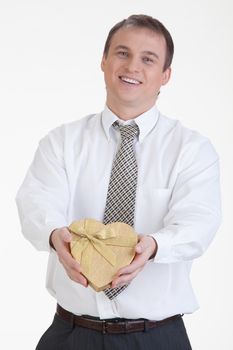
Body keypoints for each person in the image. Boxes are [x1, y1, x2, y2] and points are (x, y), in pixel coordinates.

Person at [16, 14, 221, 350]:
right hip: (71, 334)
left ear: (165, 75)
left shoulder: (192, 150)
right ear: (104, 61)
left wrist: (154, 246)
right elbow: (36, 202)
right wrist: (56, 237)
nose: (132, 67)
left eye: (148, 59)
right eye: (122, 53)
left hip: (157, 338)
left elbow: (199, 221)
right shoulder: (61, 142)